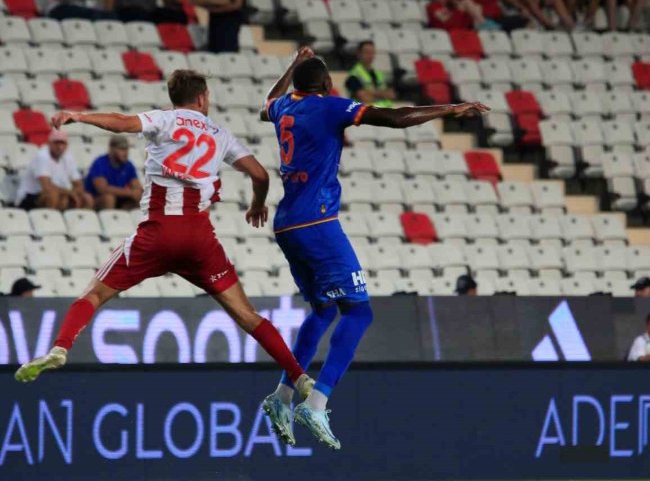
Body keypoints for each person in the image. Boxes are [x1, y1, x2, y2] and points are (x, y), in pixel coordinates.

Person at [15, 70, 309, 396]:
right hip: (199, 238)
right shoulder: (219, 134)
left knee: (93, 295)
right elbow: (259, 175)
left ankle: (60, 348)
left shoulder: (165, 120)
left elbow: (121, 121)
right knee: (247, 315)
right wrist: (256, 205)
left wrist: (79, 116)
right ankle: (299, 376)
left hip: (157, 232)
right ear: (201, 98)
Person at [259, 47, 489, 450]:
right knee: (359, 312)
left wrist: (292, 64)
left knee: (323, 309)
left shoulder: (283, 108)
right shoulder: (330, 107)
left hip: (287, 224)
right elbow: (396, 118)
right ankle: (316, 402)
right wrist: (450, 109)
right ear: (327, 86)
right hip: (317, 221)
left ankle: (281, 397)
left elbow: (265, 105)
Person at [15, 129, 93, 210]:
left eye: (62, 143)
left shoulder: (68, 157)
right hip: (30, 196)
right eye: (56, 143)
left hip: (57, 193)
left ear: (66, 145)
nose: (59, 147)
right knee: (53, 195)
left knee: (87, 198)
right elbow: (47, 187)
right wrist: (70, 192)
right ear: (49, 143)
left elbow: (79, 184)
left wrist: (74, 193)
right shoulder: (42, 157)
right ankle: (50, 221)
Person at [85, 135, 142, 209]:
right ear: (111, 149)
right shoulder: (100, 163)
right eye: (121, 149)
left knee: (139, 199)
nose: (125, 152)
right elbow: (102, 189)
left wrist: (137, 192)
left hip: (119, 198)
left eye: (126, 149)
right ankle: (109, 219)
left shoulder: (128, 165)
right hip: (96, 198)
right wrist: (130, 193)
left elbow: (137, 186)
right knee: (109, 198)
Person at [345, 41, 395, 107]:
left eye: (372, 52)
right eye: (367, 53)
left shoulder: (379, 74)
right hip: (367, 114)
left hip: (386, 111)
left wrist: (371, 93)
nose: (370, 55)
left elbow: (392, 95)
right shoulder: (353, 76)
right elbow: (365, 98)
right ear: (359, 54)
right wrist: (383, 94)